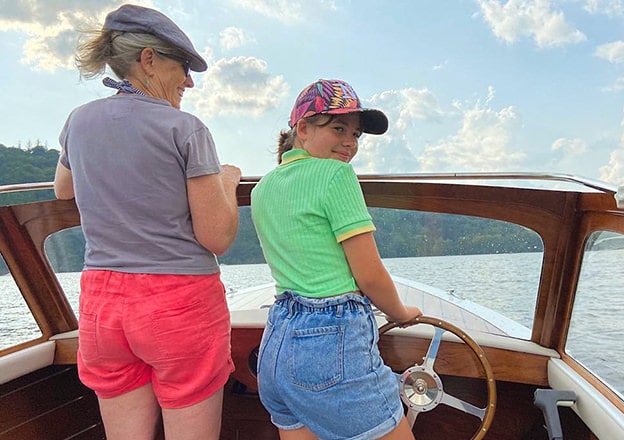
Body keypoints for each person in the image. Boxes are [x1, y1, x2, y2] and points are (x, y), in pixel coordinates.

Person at [53, 4, 241, 440]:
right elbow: (216, 236)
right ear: (149, 59)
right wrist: (227, 182)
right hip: (178, 304)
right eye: (184, 67)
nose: (189, 82)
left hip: (103, 304)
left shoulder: (78, 121)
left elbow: (64, 190)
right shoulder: (185, 128)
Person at [251, 79, 422, 440]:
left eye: (356, 134)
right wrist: (400, 313)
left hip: (277, 341)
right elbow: (369, 275)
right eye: (339, 128)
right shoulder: (336, 174)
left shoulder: (263, 187)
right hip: (329, 342)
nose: (350, 142)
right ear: (303, 128)